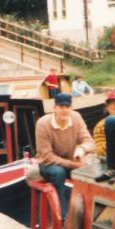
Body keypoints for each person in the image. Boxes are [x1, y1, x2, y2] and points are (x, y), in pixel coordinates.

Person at [35, 92, 93, 220]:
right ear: (54, 108)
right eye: (61, 106)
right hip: (48, 164)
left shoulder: (76, 117)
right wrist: (73, 164)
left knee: (89, 172)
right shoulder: (42, 124)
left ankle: (86, 215)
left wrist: (82, 149)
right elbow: (47, 156)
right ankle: (63, 216)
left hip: (70, 161)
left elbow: (89, 141)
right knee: (58, 172)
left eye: (67, 107)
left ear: (71, 108)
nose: (64, 110)